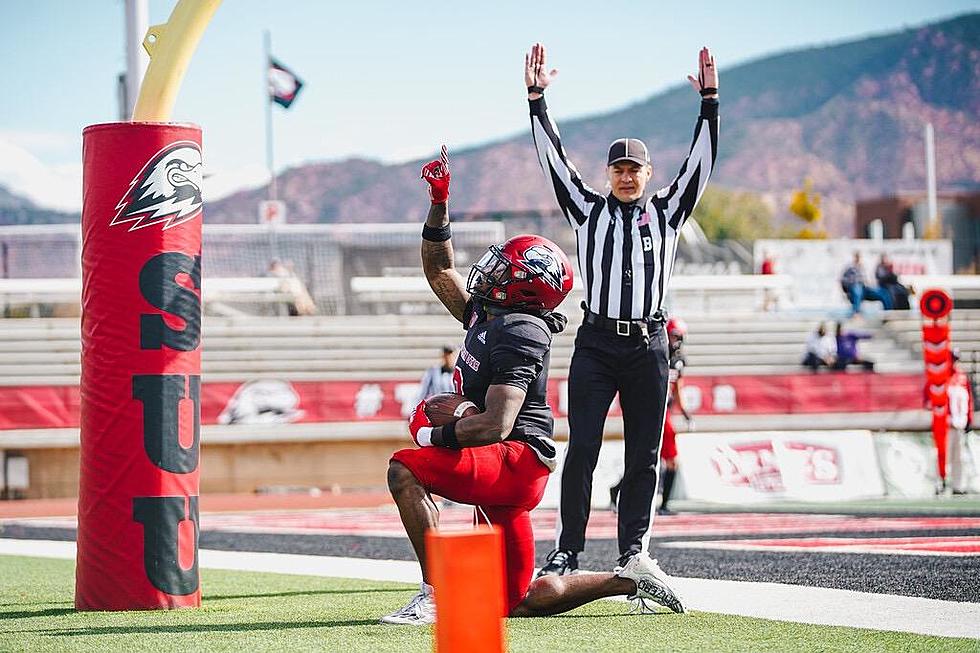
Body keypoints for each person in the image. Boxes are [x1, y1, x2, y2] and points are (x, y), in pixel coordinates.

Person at [381, 148, 685, 625]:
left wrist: (433, 432)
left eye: (503, 268)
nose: (490, 271)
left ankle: (435, 594)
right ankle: (629, 579)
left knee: (405, 468)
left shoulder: (522, 329)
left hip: (515, 459)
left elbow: (497, 424)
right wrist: (440, 202)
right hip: (505, 459)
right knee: (516, 600)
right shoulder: (488, 313)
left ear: (524, 286)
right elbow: (439, 269)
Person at [525, 42, 719, 577]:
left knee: (644, 456)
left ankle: (635, 552)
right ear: (609, 174)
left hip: (648, 345)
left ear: (650, 173)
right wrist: (537, 100)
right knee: (582, 449)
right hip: (596, 341)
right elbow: (553, 163)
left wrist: (710, 102)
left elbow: (701, 165)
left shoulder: (669, 210)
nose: (627, 177)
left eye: (635, 169)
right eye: (619, 169)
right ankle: (568, 548)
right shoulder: (588, 210)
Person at [609, 317, 693, 516]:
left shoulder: (678, 361)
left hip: (666, 412)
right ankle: (651, 501)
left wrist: (686, 413)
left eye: (680, 337)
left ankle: (660, 503)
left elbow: (678, 389)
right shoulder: (655, 352)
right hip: (650, 409)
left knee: (658, 459)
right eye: (674, 336)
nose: (677, 341)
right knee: (648, 457)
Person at [944, 350, 974, 494]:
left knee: (960, 457)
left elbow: (969, 401)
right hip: (945, 425)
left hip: (959, 424)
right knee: (944, 456)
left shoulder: (962, 377)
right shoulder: (942, 377)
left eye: (955, 359)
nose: (954, 361)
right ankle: (942, 483)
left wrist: (969, 419)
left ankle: (958, 486)